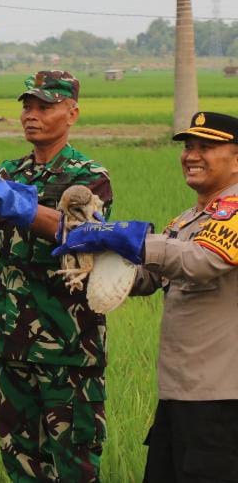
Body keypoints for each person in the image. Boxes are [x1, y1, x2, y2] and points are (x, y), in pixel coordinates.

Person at [0, 71, 113, 481]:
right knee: (19, 460)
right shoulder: (9, 171)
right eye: (27, 106)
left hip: (68, 346)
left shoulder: (89, 176)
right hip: (11, 339)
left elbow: (81, 233)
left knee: (74, 461)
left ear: (71, 113)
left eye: (44, 106)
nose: (31, 115)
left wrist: (6, 198)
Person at [53, 111, 238, 482]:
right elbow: (148, 276)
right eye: (188, 146)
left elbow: (200, 262)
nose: (192, 155)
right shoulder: (188, 219)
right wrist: (98, 259)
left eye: (207, 147)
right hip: (180, 394)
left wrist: (133, 239)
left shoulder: (234, 213)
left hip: (220, 399)